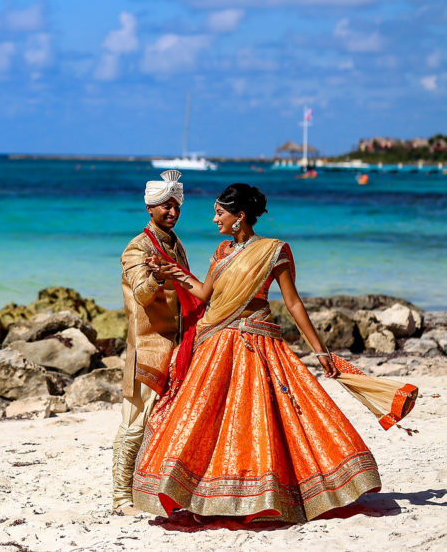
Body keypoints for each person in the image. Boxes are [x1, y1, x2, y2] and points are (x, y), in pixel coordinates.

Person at [133, 183, 381, 522]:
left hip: (259, 345)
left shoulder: (274, 250)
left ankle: (272, 494)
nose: (213, 219)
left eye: (219, 213)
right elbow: (205, 294)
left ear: (240, 216)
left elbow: (293, 303)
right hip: (219, 345)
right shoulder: (222, 252)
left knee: (266, 422)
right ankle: (202, 494)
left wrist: (320, 350)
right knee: (207, 423)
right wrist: (169, 271)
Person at [112, 170, 192, 515]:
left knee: (164, 423)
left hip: (177, 344)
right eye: (165, 206)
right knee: (136, 424)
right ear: (150, 208)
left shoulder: (175, 244)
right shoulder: (137, 248)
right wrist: (157, 277)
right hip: (147, 347)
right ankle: (120, 499)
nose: (172, 212)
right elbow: (143, 296)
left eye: (176, 206)